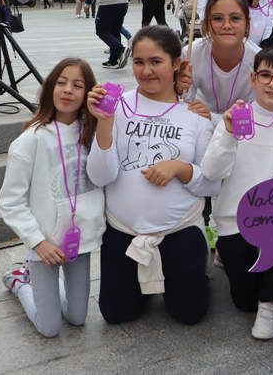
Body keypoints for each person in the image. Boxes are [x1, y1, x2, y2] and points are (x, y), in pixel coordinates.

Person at [86, 26, 217, 325]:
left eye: (156, 61)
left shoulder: (195, 117)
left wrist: (180, 169)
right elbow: (100, 177)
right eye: (139, 62)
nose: (146, 71)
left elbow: (212, 183)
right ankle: (146, 284)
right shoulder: (117, 106)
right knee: (117, 314)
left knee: (189, 315)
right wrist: (103, 124)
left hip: (180, 231)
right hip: (124, 232)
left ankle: (190, 273)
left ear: (175, 64)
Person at [0, 58, 105, 337]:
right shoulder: (30, 140)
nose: (68, 90)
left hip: (78, 243)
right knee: (50, 328)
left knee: (77, 317)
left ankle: (42, 286)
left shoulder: (93, 134)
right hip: (44, 246)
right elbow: (10, 201)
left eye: (77, 85)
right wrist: (38, 242)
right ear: (50, 88)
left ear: (87, 93)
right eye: (61, 82)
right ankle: (21, 281)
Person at [201, 46, 273, 340]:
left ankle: (270, 305)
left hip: (271, 223)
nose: (272, 83)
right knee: (243, 302)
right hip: (233, 222)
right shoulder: (234, 118)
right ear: (253, 78)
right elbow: (210, 172)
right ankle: (228, 259)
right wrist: (229, 133)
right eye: (266, 75)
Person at [181, 0, 259, 118]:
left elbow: (257, 113)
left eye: (235, 18)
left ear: (247, 23)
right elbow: (185, 103)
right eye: (218, 18)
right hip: (201, 118)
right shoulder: (190, 53)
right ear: (206, 23)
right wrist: (180, 90)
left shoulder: (258, 60)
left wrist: (213, 117)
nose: (227, 26)